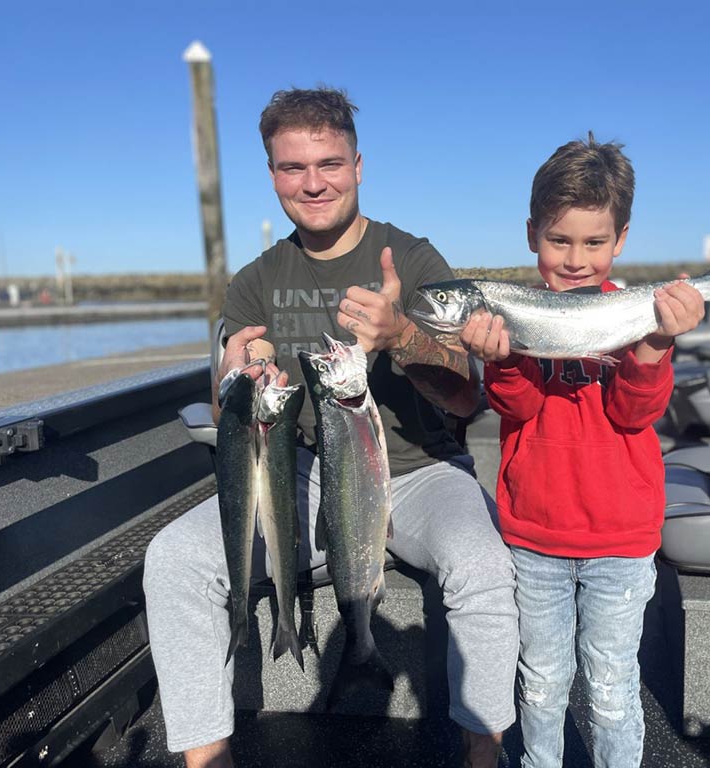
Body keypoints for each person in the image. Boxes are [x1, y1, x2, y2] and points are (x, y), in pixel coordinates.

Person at [143, 88, 518, 768]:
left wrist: (405, 334)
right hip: (306, 478)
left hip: (425, 472)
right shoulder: (254, 281)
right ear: (273, 175)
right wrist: (235, 385)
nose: (313, 183)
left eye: (329, 163)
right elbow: (238, 407)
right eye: (293, 168)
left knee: (486, 563)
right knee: (173, 557)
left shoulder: (413, 258)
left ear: (358, 165)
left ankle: (483, 754)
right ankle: (207, 759)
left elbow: (468, 400)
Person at [459, 134, 705, 767]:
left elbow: (634, 411)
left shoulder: (631, 311)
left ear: (620, 240)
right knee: (540, 683)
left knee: (613, 687)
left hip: (621, 539)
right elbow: (518, 409)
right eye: (558, 240)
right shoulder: (510, 312)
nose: (575, 259)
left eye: (594, 243)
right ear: (532, 234)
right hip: (534, 534)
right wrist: (504, 360)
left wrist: (652, 346)